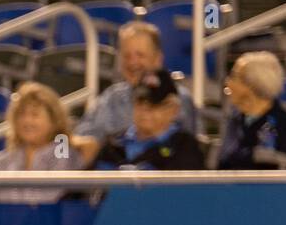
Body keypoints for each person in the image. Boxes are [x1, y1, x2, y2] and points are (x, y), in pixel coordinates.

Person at [73, 21, 197, 165]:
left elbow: (179, 148)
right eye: (127, 56)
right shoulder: (111, 96)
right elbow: (83, 139)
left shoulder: (177, 98)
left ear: (157, 59)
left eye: (140, 55)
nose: (133, 63)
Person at [0, 81, 81, 203]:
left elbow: (52, 197)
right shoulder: (2, 159)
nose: (27, 121)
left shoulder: (62, 153)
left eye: (35, 115)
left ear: (54, 119)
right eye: (22, 114)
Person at [94, 68, 205, 170]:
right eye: (140, 101)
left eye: (154, 104)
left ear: (173, 109)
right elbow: (87, 188)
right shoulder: (112, 145)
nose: (145, 109)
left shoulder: (183, 147)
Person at [217, 51, 286, 169]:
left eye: (234, 76)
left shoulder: (283, 122)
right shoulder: (235, 118)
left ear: (253, 85)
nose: (227, 82)